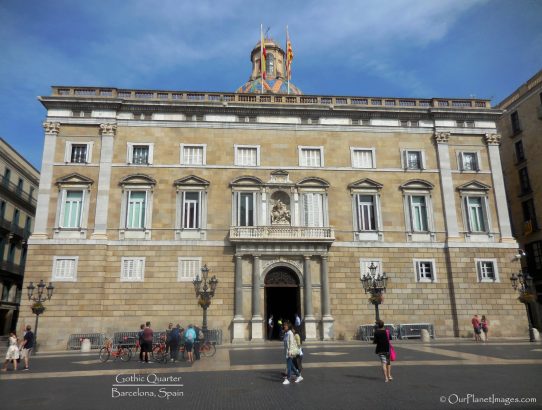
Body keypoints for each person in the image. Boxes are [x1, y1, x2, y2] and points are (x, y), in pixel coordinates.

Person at [282, 321, 302, 385]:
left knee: (289, 366)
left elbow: (291, 343)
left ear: (288, 326)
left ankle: (288, 379)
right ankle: (299, 376)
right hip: (287, 351)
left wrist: (290, 352)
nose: (284, 326)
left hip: (289, 352)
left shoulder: (290, 333)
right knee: (292, 365)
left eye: (285, 325)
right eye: (284, 325)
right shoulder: (286, 333)